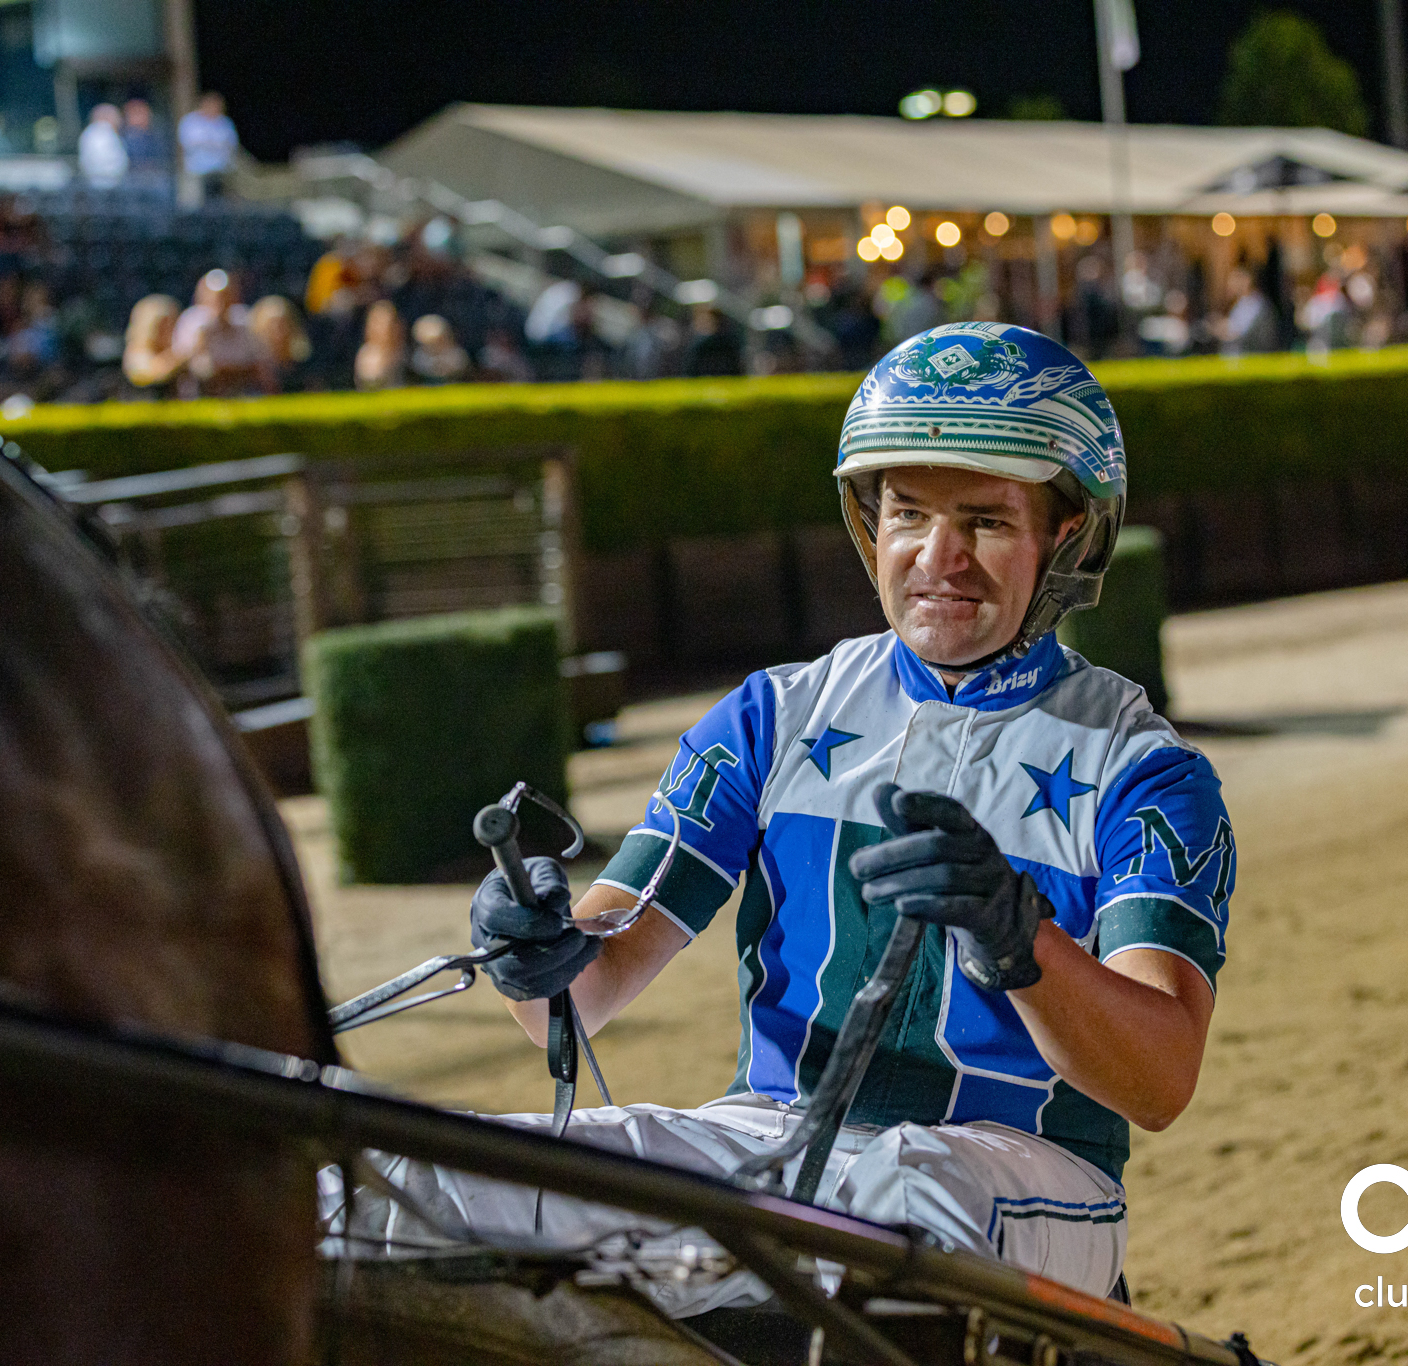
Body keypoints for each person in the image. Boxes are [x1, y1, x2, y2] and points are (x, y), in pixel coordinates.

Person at [336, 322, 1234, 1311]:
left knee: (902, 1198)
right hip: (770, 1141)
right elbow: (580, 992)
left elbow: (1157, 1081)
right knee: (408, 1178)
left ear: (1065, 535)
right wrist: (530, 947)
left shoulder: (1143, 773)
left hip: (1022, 1173)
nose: (937, 558)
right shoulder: (770, 717)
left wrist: (1018, 939)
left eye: (981, 520)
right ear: (867, 522)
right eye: (905, 515)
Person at [178, 92, 238, 199]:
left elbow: (231, 145)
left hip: (221, 171)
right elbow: (188, 144)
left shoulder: (225, 122)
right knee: (195, 202)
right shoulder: (191, 121)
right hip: (197, 171)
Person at [77, 103, 128, 189]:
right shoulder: (101, 133)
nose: (120, 120)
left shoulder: (95, 132)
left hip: (105, 183)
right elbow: (104, 161)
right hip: (104, 184)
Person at [120, 98, 169, 180]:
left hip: (153, 179)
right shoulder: (121, 138)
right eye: (134, 113)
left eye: (141, 113)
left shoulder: (157, 137)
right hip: (128, 180)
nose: (138, 118)